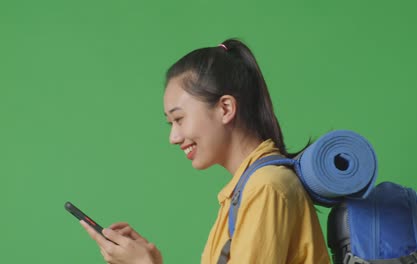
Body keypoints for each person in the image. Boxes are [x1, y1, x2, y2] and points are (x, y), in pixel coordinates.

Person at [81, 38, 331, 264]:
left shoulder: (265, 187)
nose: (173, 137)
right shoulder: (248, 189)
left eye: (179, 119)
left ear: (225, 109)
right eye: (171, 124)